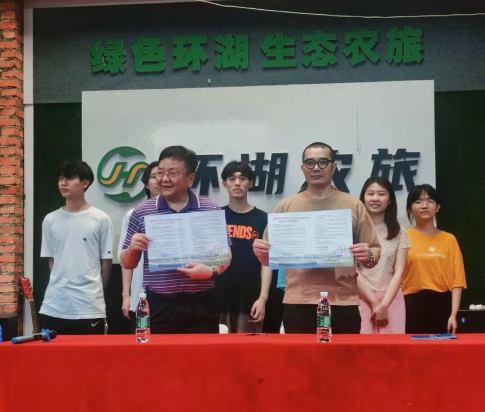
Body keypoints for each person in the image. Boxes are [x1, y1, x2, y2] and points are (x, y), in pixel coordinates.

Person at [253, 142, 381, 334]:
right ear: (302, 168)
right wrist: (261, 254)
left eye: (323, 162)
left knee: (343, 354)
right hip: (298, 301)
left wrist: (368, 255)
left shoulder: (353, 205)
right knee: (301, 354)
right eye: (310, 163)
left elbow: (374, 253)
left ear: (333, 167)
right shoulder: (285, 207)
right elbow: (269, 259)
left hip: (343, 301)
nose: (316, 168)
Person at [120, 146, 231, 334]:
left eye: (172, 173)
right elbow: (127, 263)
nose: (164, 179)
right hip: (158, 304)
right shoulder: (142, 212)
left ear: (190, 178)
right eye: (160, 173)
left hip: (201, 303)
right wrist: (131, 249)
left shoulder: (209, 209)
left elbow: (226, 254)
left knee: (201, 353)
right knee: (158, 353)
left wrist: (211, 271)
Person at [40, 160, 113, 334]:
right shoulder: (50, 219)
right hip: (54, 306)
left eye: (70, 178)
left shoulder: (100, 218)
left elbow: (106, 262)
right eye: (61, 178)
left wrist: (95, 292)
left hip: (89, 307)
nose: (63, 183)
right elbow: (51, 260)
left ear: (85, 183)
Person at [216, 161, 275, 333]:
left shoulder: (264, 219)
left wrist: (263, 298)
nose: (237, 183)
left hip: (251, 299)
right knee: (217, 347)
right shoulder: (215, 217)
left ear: (251, 183)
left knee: (249, 349)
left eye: (242, 178)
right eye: (231, 179)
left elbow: (267, 262)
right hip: (218, 298)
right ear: (224, 184)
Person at [403, 184, 466, 334]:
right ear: (409, 209)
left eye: (430, 201)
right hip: (409, 306)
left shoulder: (449, 239)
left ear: (437, 207)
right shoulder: (403, 238)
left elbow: (457, 281)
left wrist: (453, 314)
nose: (424, 205)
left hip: (442, 306)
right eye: (418, 201)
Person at [357, 177, 411, 334]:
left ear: (390, 200)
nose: (375, 198)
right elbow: (352, 272)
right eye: (370, 193)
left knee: (393, 348)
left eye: (381, 194)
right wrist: (374, 303)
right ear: (363, 198)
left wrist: (384, 304)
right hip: (360, 298)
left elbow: (399, 271)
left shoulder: (399, 231)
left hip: (391, 299)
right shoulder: (354, 230)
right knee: (361, 347)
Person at [118, 161, 160, 332]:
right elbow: (125, 260)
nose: (160, 180)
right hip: (141, 296)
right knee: (143, 343)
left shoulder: (181, 214)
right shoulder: (134, 215)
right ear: (146, 184)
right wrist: (126, 295)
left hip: (171, 300)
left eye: (163, 175)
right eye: (154, 176)